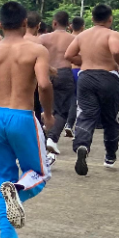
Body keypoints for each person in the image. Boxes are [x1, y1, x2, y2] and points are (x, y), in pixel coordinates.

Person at [0, 1, 53, 238]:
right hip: (22, 115)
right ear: (25, 23)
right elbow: (44, 84)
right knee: (39, 173)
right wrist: (49, 114)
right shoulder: (36, 50)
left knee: (2, 179)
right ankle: (17, 193)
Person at [64, 4, 119, 174]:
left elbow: (68, 55)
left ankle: (82, 145)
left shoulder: (83, 35)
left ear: (92, 19)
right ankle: (110, 156)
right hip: (108, 77)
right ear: (110, 19)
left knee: (86, 115)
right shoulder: (112, 34)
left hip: (86, 78)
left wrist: (84, 62)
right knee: (110, 119)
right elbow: (116, 50)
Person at [40, 11, 73, 157]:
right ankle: (52, 138)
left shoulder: (44, 38)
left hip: (47, 72)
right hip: (64, 72)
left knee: (48, 108)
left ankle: (44, 137)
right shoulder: (73, 38)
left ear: (54, 23)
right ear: (68, 25)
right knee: (62, 111)